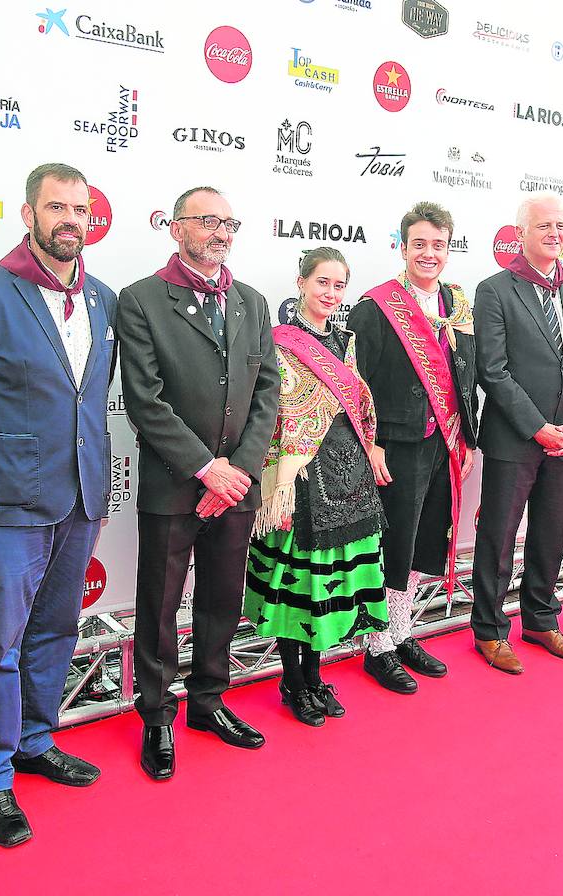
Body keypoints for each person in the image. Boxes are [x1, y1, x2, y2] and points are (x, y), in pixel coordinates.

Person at [0, 163, 116, 847]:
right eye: (57, 207)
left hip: (81, 494)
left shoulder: (103, 298)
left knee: (56, 632)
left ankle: (36, 742)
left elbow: (87, 399)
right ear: (28, 214)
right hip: (6, 501)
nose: (71, 219)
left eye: (81, 208)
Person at [118, 185, 280, 780]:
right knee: (159, 606)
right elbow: (145, 399)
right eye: (207, 221)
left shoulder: (253, 301)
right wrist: (205, 468)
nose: (220, 232)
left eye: (228, 222)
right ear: (175, 228)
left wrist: (238, 470)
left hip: (237, 485)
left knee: (222, 598)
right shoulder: (139, 301)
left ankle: (209, 700)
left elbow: (267, 393)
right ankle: (157, 714)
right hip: (175, 484)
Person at [245, 247, 388, 726]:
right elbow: (272, 409)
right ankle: (294, 680)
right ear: (301, 282)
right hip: (299, 475)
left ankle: (315, 675)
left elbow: (358, 407)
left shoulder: (347, 340)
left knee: (330, 583)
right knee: (298, 587)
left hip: (346, 475)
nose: (330, 293)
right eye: (322, 283)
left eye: (339, 285)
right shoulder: (280, 340)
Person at [348, 201, 479, 694]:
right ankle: (377, 646)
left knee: (426, 539)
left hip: (444, 443)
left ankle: (402, 632)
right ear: (402, 248)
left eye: (438, 245)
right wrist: (372, 443)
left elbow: (467, 378)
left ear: (449, 249)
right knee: (395, 543)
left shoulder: (457, 304)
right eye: (419, 244)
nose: (429, 254)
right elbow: (356, 385)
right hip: (397, 446)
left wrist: (466, 438)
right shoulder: (375, 306)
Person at [470, 194, 563, 674]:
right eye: (543, 225)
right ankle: (488, 629)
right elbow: (493, 370)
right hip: (516, 439)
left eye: (560, 226)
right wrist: (538, 428)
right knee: (498, 536)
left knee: (550, 533)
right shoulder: (495, 289)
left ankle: (542, 620)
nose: (553, 233)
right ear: (520, 233)